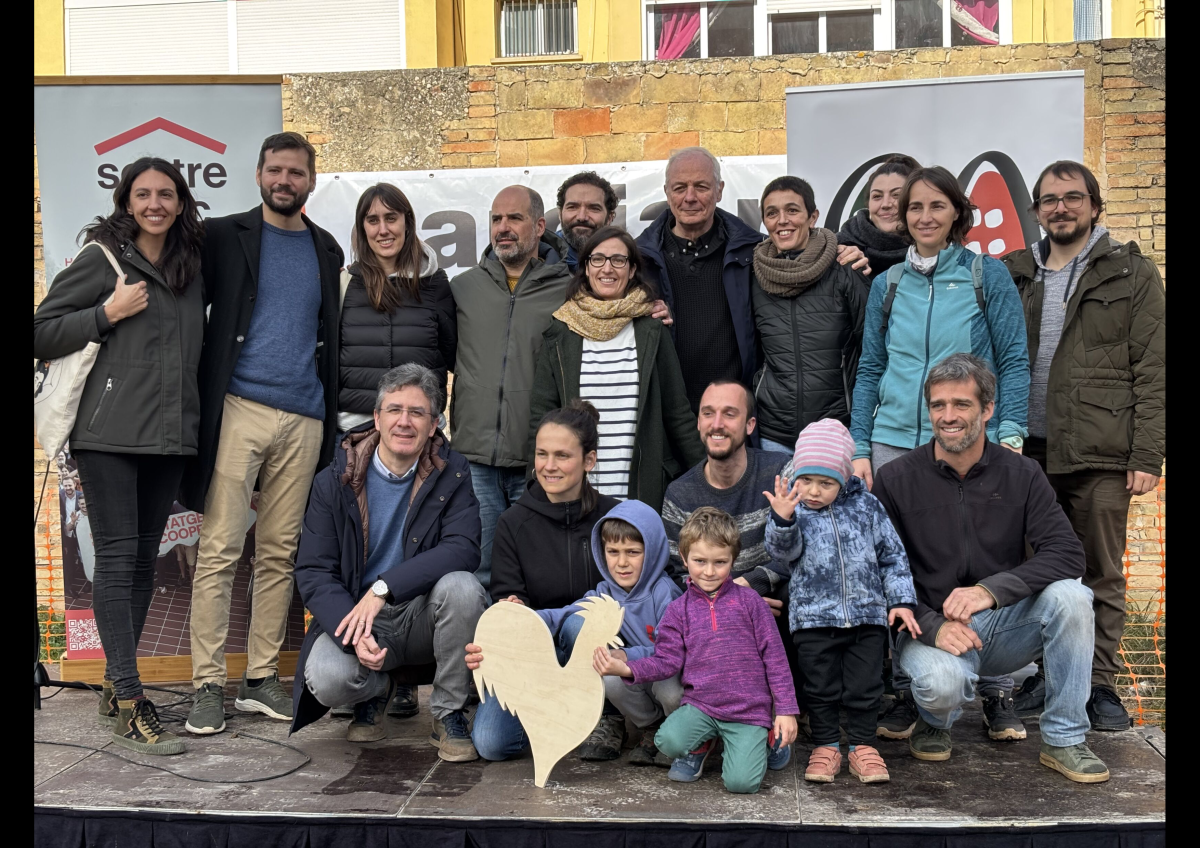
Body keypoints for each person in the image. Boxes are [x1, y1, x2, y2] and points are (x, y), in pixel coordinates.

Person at [848, 166, 1031, 739]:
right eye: (914, 207)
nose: (924, 217)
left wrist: (1011, 432)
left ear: (957, 213)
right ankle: (910, 687)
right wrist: (860, 443)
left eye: (936, 206)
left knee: (988, 555)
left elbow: (1013, 359)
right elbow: (871, 367)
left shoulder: (985, 274)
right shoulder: (889, 284)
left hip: (965, 437)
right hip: (894, 439)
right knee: (897, 563)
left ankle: (997, 688)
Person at [34, 157, 206, 755]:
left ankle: (116, 684)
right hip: (108, 436)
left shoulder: (190, 266)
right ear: (126, 201)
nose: (155, 204)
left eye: (166, 194)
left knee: (140, 565)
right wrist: (105, 314)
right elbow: (40, 330)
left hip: (169, 437)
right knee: (114, 560)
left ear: (181, 203)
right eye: (143, 194)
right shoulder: (102, 258)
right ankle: (131, 700)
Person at [872, 354, 1109, 784]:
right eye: (938, 405)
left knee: (1073, 597)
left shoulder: (1023, 474)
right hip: (928, 629)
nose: (948, 416)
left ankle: (1064, 739)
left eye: (961, 404)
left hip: (1002, 625)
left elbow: (1067, 554)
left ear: (988, 409)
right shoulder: (895, 478)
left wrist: (990, 591)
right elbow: (877, 572)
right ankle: (934, 721)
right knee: (941, 686)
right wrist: (932, 625)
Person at [184, 132, 346, 736]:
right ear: (258, 174)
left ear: (311, 181)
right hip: (238, 407)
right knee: (220, 549)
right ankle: (207, 685)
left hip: (304, 415)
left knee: (279, 553)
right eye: (275, 170)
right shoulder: (222, 236)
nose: (285, 180)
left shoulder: (327, 248)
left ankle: (258, 679)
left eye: (296, 172)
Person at [1003, 161, 1166, 732]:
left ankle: (1097, 686)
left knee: (1100, 571)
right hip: (1027, 453)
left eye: (1073, 197)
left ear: (1095, 206)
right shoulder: (1016, 272)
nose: (1061, 208)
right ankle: (1049, 676)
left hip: (1101, 448)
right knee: (1038, 570)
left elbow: (1154, 368)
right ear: (1036, 211)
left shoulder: (1129, 272)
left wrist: (1147, 454)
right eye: (1049, 200)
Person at [291, 364, 487, 759]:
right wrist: (352, 632)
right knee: (326, 678)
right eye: (394, 410)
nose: (404, 421)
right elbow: (314, 571)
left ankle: (447, 713)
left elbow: (463, 548)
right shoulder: (334, 480)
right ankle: (375, 692)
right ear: (377, 418)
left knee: (464, 588)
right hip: (359, 615)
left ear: (434, 425)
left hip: (419, 613)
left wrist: (384, 588)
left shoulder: (453, 472)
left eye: (417, 412)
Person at [595, 507, 799, 792]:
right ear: (684, 557)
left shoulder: (751, 602)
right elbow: (666, 661)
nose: (709, 571)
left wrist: (786, 711)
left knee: (740, 783)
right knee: (666, 741)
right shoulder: (678, 610)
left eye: (720, 562)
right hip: (702, 708)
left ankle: (765, 740)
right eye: (700, 561)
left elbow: (775, 658)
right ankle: (708, 742)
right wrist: (627, 667)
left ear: (733, 559)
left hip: (748, 711)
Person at [469, 500, 682, 766]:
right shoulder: (605, 593)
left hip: (666, 672)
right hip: (634, 674)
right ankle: (652, 727)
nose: (622, 562)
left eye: (633, 552)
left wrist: (626, 656)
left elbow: (672, 652)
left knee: (670, 691)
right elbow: (562, 614)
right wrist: (520, 617)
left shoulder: (666, 593)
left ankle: (681, 733)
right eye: (613, 552)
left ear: (653, 552)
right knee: (609, 680)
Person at [763, 419, 918, 784]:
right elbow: (782, 554)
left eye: (826, 483)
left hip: (866, 617)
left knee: (866, 686)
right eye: (806, 480)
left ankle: (863, 746)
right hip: (813, 619)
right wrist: (782, 520)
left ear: (844, 477)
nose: (814, 491)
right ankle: (826, 745)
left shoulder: (868, 506)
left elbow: (892, 556)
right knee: (820, 687)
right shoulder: (794, 510)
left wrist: (901, 600)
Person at [528, 226, 704, 511]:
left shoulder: (651, 329)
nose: (607, 268)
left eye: (618, 260)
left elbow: (677, 413)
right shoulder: (561, 331)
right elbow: (541, 416)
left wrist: (708, 478)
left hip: (639, 495)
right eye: (597, 259)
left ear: (632, 270)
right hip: (576, 496)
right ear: (586, 268)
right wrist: (536, 489)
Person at [448, 186, 571, 590]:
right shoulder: (463, 288)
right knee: (479, 572)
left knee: (536, 575)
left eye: (514, 218)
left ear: (539, 226)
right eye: (496, 219)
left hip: (537, 462)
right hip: (474, 459)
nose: (503, 227)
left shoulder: (569, 290)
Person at [635, 148, 763, 412]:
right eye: (680, 188)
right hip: (667, 417)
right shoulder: (638, 260)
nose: (690, 197)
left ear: (719, 190)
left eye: (701, 187)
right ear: (667, 192)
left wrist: (839, 247)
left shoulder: (754, 253)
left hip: (733, 415)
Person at [751, 176, 868, 452]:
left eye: (792, 210)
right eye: (772, 213)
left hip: (835, 430)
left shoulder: (844, 268)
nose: (782, 221)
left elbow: (871, 351)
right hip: (774, 433)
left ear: (812, 217)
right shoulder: (754, 274)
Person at [337, 183, 456, 432]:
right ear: (362, 228)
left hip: (417, 432)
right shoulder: (345, 285)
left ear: (407, 222)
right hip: (355, 433)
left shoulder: (434, 284)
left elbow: (452, 355)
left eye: (391, 218)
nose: (383, 230)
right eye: (373, 220)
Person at [661, 381, 791, 607]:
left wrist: (751, 587)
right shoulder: (679, 494)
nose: (717, 424)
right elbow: (677, 576)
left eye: (729, 414)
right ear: (699, 422)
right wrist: (736, 605)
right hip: (710, 614)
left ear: (750, 425)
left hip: (777, 605)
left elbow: (805, 547)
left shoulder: (780, 473)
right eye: (708, 413)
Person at [489, 400, 620, 610]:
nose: (549, 466)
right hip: (539, 630)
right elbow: (507, 596)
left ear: (589, 460)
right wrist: (514, 607)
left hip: (611, 630)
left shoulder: (616, 517)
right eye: (542, 454)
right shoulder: (512, 523)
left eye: (562, 455)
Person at [837, 155, 921, 281]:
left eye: (897, 195)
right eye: (877, 196)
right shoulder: (841, 247)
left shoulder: (936, 252)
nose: (885, 204)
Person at [555, 171, 618, 269]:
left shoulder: (626, 262)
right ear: (560, 214)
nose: (581, 217)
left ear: (610, 218)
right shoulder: (538, 258)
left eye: (594, 208)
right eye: (572, 207)